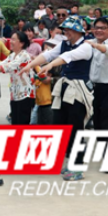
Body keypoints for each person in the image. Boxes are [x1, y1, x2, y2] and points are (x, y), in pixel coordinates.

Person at [22, 16, 94, 182]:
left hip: (78, 90)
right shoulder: (64, 44)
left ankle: (78, 166)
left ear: (77, 31)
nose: (65, 33)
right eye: (64, 30)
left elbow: (67, 57)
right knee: (62, 125)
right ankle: (69, 160)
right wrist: (29, 66)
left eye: (68, 30)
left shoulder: (86, 46)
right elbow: (48, 55)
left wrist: (50, 65)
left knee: (76, 127)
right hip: (65, 88)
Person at [85, 17, 108, 173]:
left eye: (102, 28)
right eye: (96, 27)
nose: (99, 30)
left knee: (107, 126)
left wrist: (94, 45)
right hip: (96, 89)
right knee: (99, 125)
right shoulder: (90, 43)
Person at [0, 32, 35, 125]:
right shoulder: (12, 55)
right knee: (15, 122)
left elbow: (10, 66)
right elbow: (2, 63)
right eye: (11, 39)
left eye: (14, 39)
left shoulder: (24, 55)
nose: (10, 42)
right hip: (15, 94)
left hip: (25, 94)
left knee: (22, 123)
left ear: (21, 43)